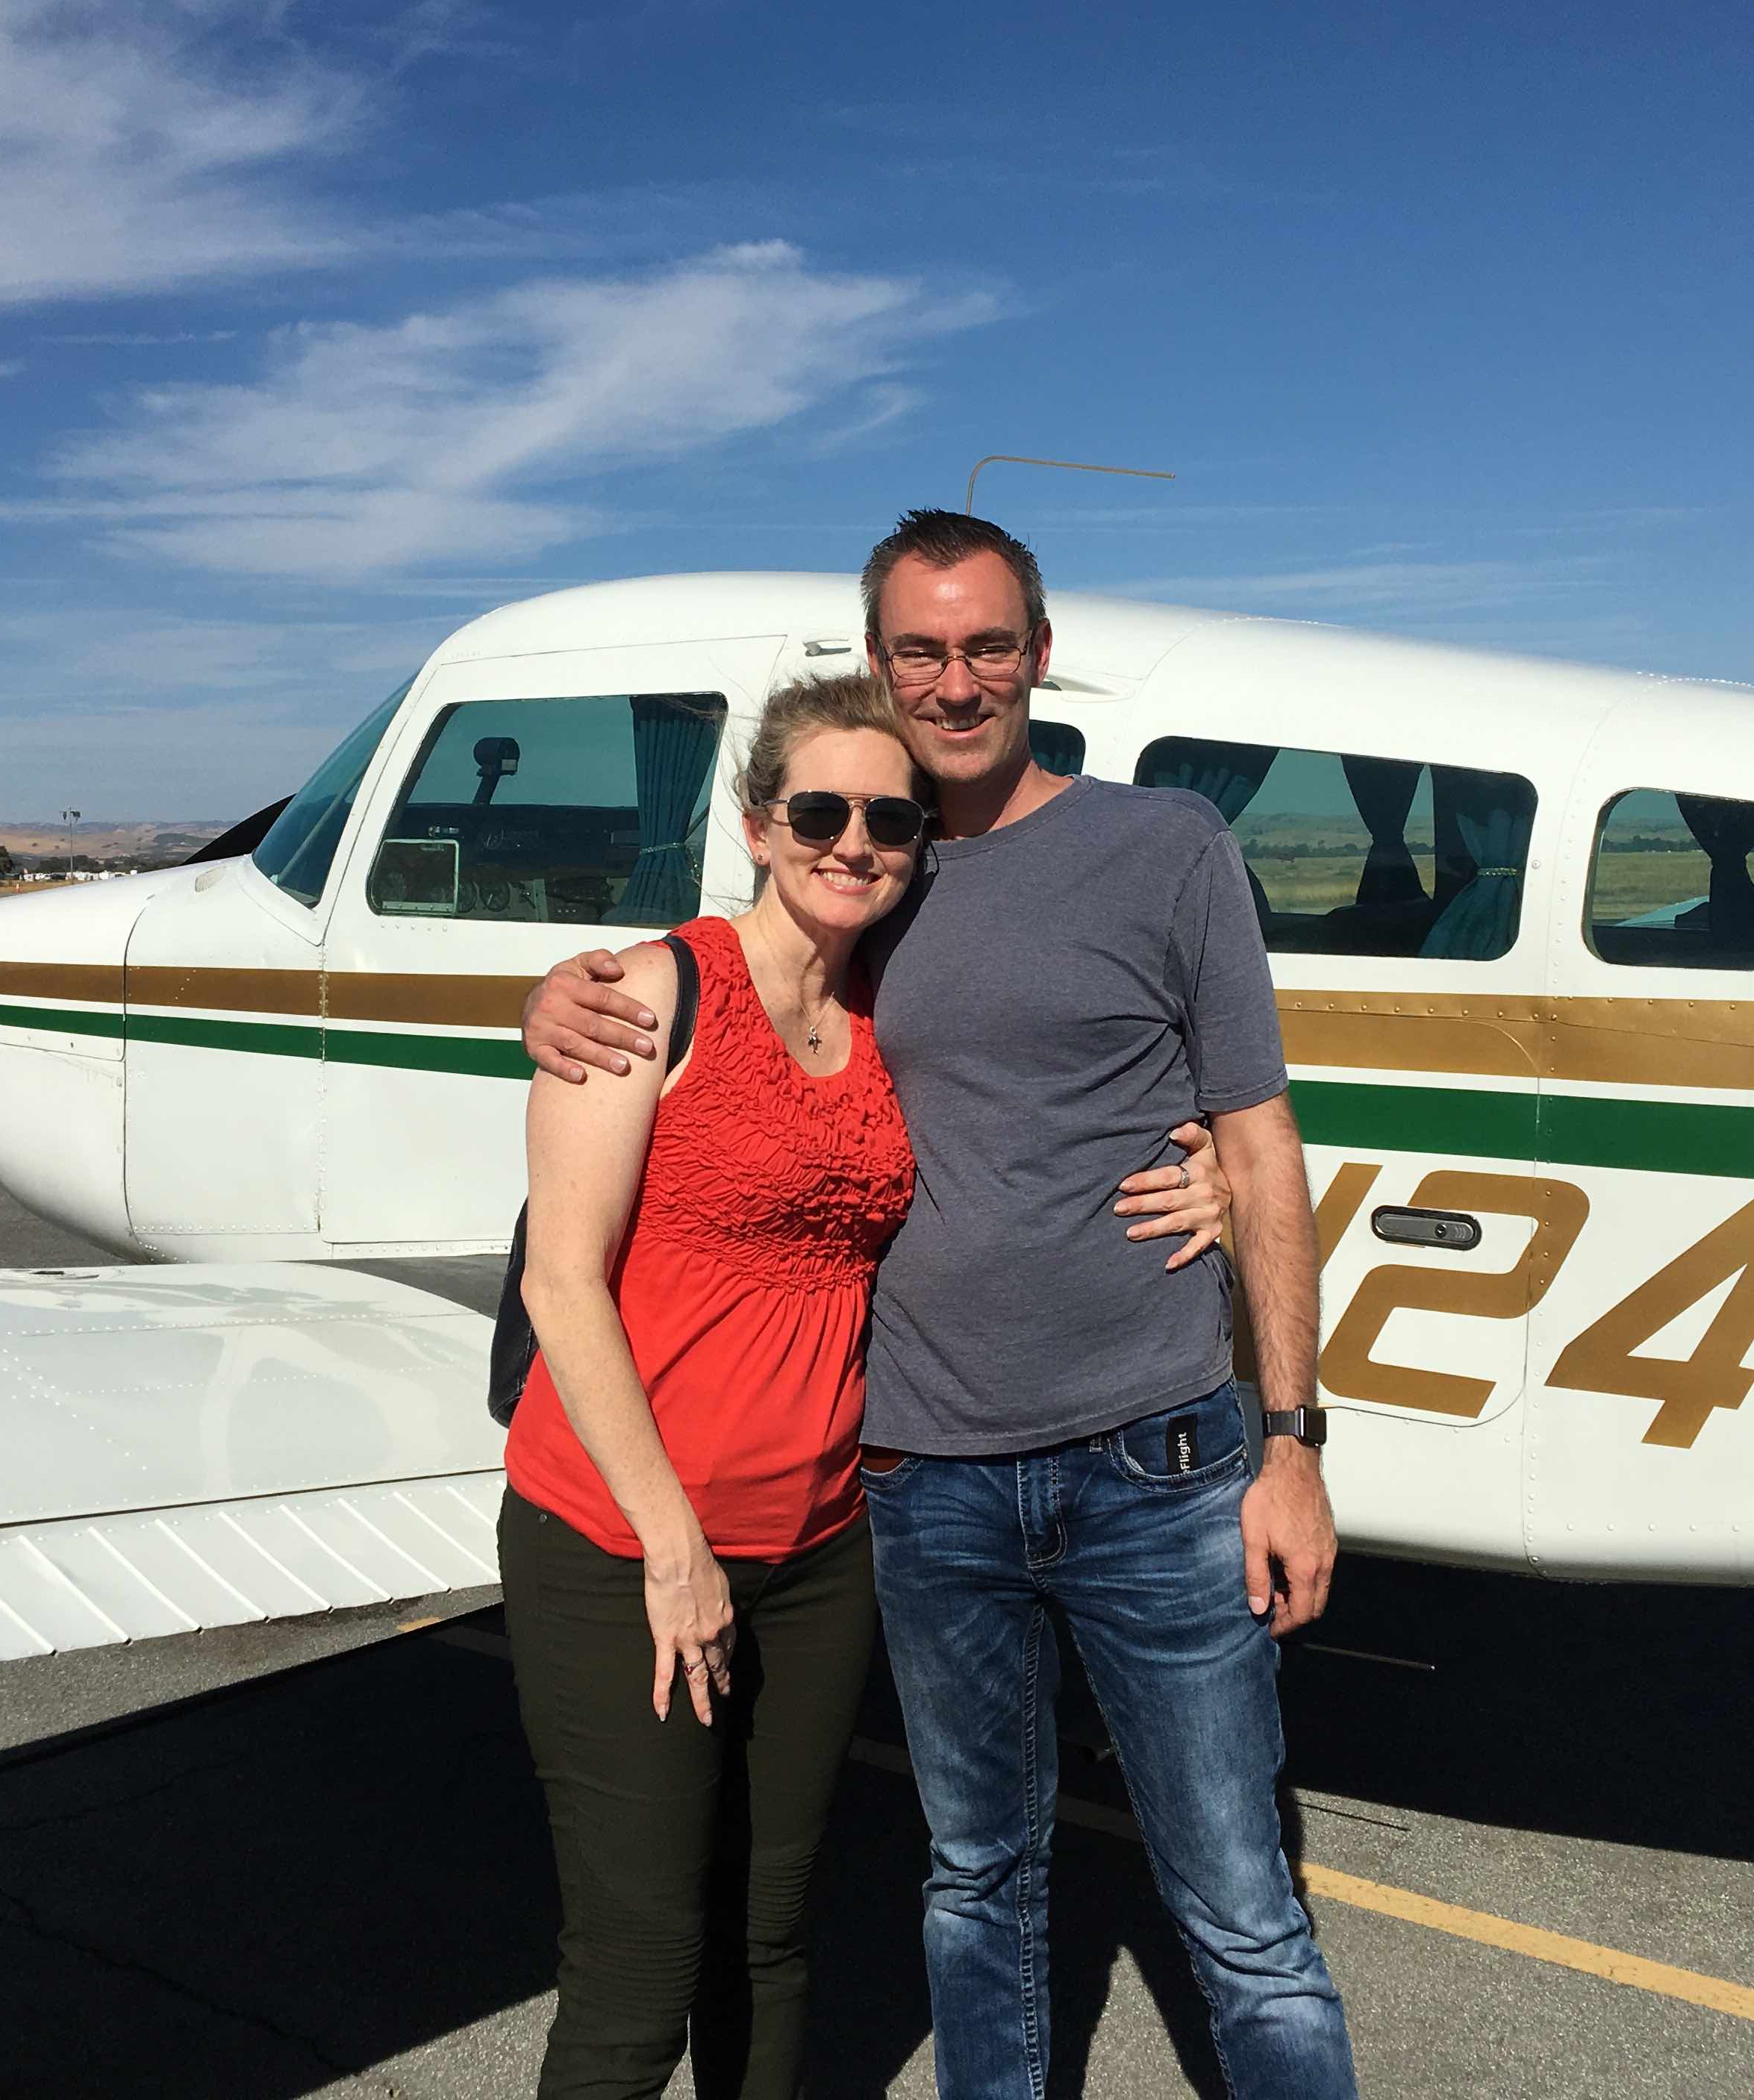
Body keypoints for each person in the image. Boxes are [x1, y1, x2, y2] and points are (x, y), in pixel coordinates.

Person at [525, 511, 1358, 2097]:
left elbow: (1261, 1129)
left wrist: (1293, 1438)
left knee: (1245, 1910)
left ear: (1039, 655)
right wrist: (557, 994)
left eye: (989, 646)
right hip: (916, 1479)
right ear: (876, 667)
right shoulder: (867, 878)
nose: (957, 680)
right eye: (922, 649)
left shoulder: (1164, 842)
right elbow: (710, 995)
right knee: (976, 1882)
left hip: (1157, 1458)